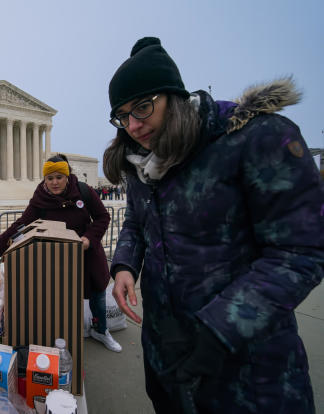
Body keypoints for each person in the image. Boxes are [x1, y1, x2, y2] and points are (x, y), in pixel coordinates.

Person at [103, 37, 323, 413]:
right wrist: (125, 265)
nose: (134, 126)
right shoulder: (141, 160)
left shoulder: (255, 138)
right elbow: (137, 222)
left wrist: (219, 329)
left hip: (249, 368)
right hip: (167, 353)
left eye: (143, 108)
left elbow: (300, 252)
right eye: (122, 116)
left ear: (173, 96)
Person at [0, 154, 122, 352]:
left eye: (59, 177)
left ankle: (101, 329)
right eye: (50, 178)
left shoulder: (83, 191)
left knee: (97, 294)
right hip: (59, 260)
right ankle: (65, 336)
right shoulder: (40, 200)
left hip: (87, 252)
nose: (54, 182)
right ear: (44, 179)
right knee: (63, 300)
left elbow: (102, 217)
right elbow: (22, 224)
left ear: (67, 175)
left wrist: (89, 238)